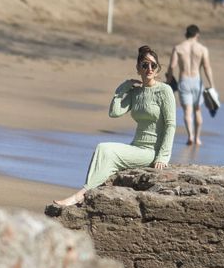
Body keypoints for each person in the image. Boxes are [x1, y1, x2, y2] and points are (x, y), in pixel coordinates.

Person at [48, 46, 175, 210]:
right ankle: (88, 192)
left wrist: (162, 157)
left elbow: (171, 124)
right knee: (102, 151)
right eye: (145, 65)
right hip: (136, 146)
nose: (149, 69)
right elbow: (114, 112)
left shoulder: (165, 91)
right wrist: (124, 87)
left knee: (105, 149)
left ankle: (81, 195)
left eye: (153, 65)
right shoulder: (136, 92)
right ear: (138, 69)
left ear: (158, 69)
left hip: (151, 151)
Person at [168, 25, 217, 146]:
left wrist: (169, 79)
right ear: (197, 35)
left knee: (187, 112)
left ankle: (190, 136)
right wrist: (212, 84)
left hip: (184, 80)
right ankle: (198, 138)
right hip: (197, 81)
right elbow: (206, 67)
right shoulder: (202, 49)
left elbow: (172, 66)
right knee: (197, 110)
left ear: (186, 34)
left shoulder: (178, 48)